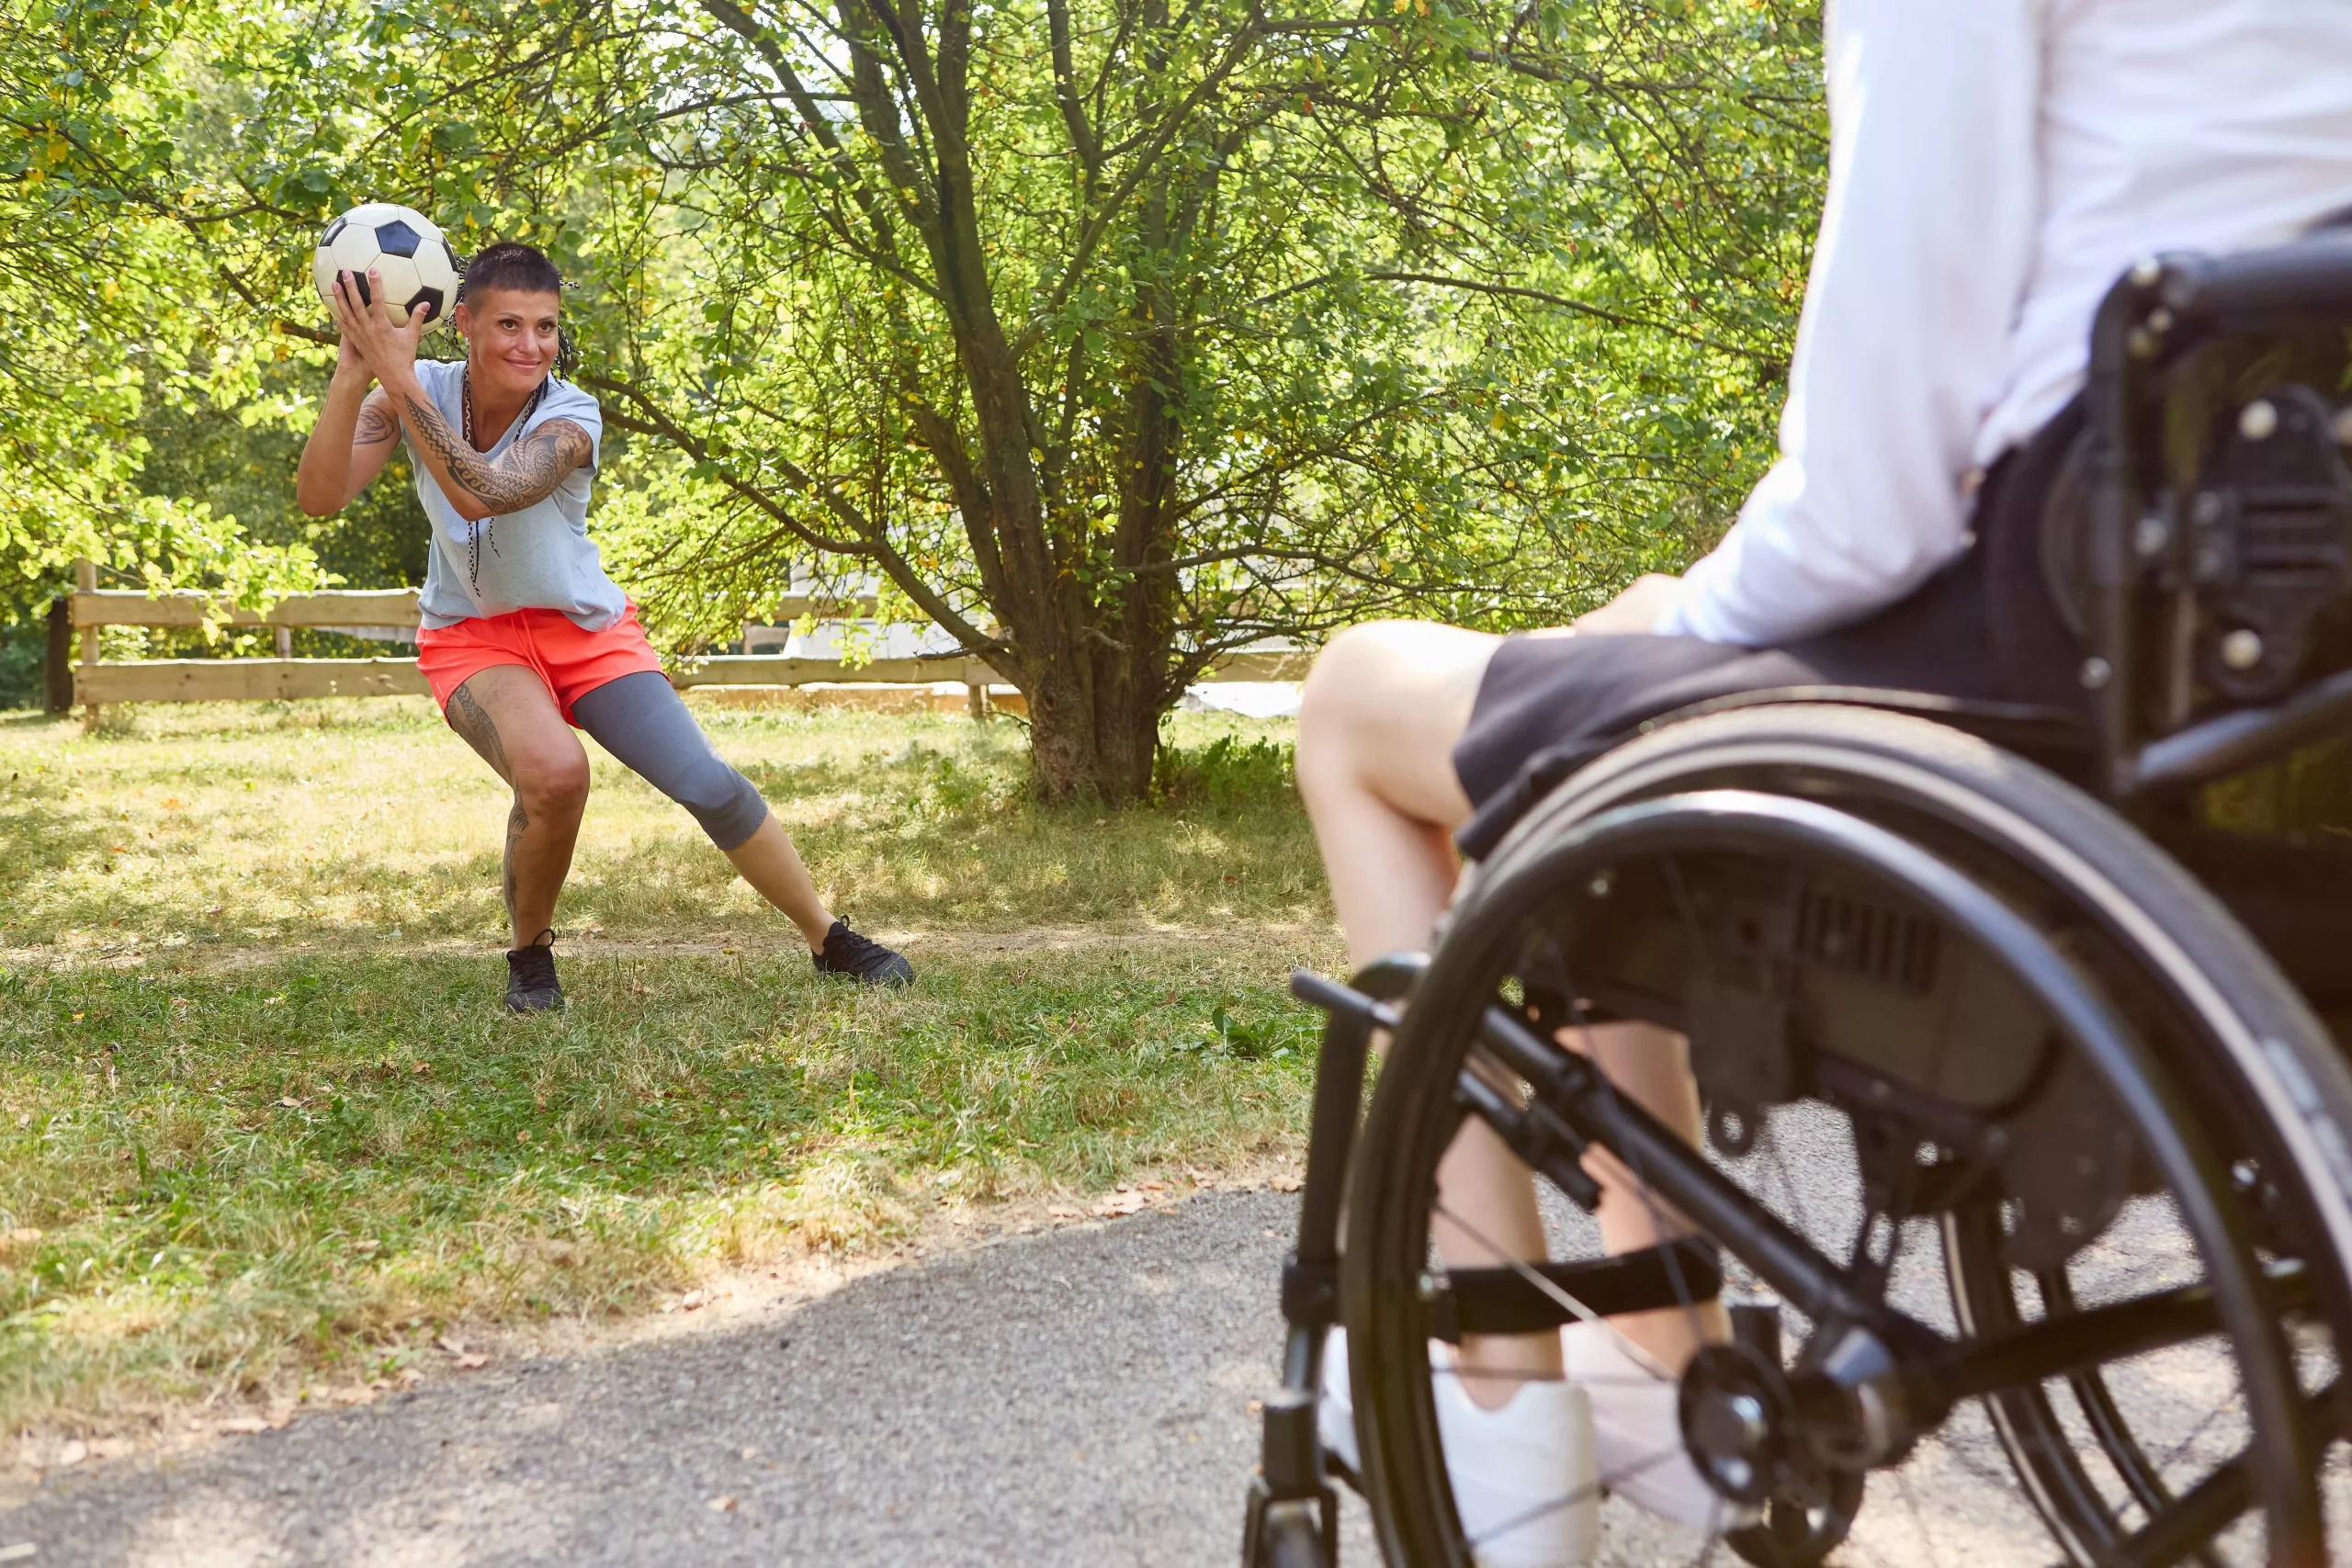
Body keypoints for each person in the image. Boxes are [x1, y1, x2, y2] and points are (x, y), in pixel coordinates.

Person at [1295, 2, 2352, 1562]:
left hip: (2055, 669)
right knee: (1613, 699)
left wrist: (1687, 614)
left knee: (1357, 699)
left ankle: (1505, 1393)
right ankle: (1660, 1354)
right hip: (2284, 736)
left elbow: (1871, 498)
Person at [296, 242, 913, 1010]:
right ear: (464, 324)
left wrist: (396, 377)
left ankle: (828, 938)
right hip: (474, 637)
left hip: (585, 630)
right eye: (509, 324)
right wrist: (354, 374)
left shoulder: (569, 414)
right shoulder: (416, 390)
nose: (531, 345)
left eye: (546, 326)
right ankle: (530, 956)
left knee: (708, 784)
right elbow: (320, 497)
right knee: (555, 774)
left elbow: (486, 492)